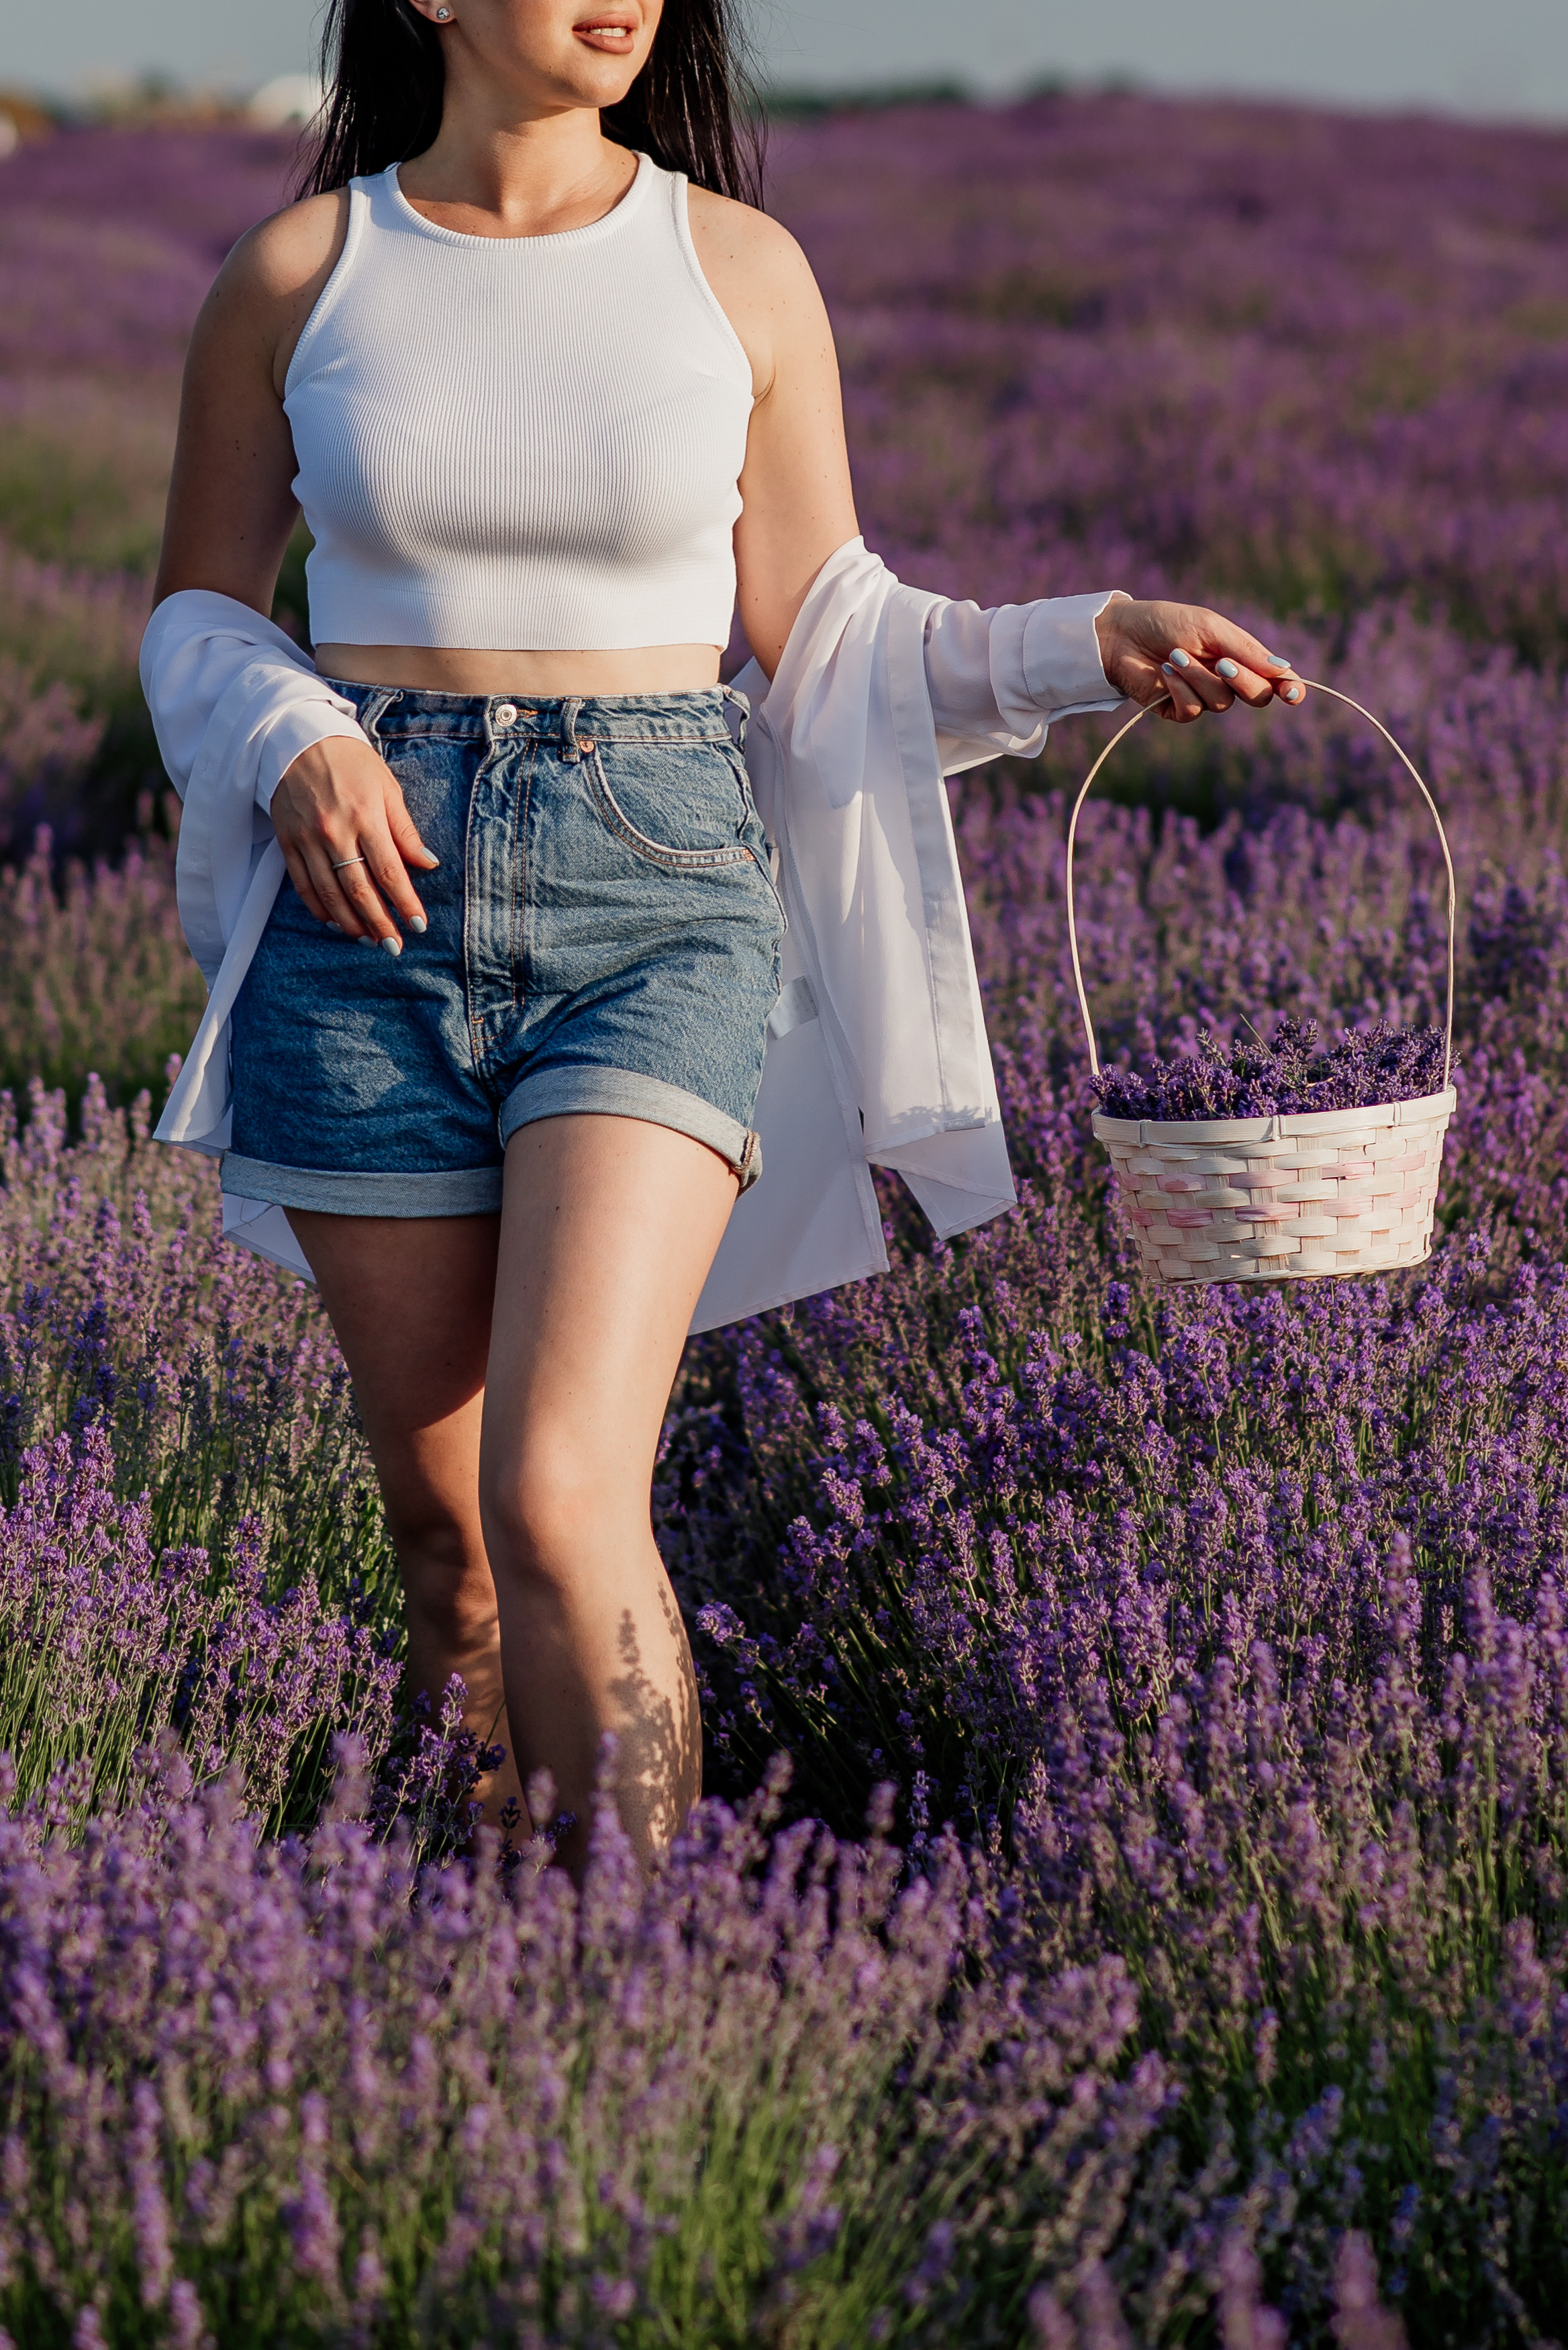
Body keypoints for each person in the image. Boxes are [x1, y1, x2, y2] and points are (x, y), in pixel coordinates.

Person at [145, 0, 1305, 1873]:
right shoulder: (299, 271)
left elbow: (832, 628)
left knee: (558, 1488)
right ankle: (489, 1966)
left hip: (660, 891)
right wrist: (287, 731)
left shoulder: (736, 270)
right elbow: (193, 609)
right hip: (371, 914)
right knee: (443, 1548)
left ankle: (635, 1993)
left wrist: (1081, 636)